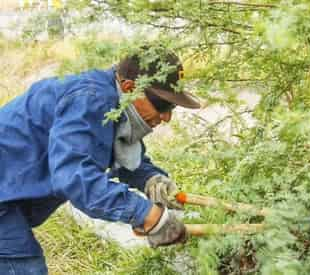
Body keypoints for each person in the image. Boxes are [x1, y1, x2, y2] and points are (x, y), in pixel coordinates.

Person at [0, 46, 201, 274]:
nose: (166, 117)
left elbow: (117, 152)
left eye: (172, 107)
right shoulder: (90, 101)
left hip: (7, 198)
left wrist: (151, 179)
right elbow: (75, 178)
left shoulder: (110, 101)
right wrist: (145, 214)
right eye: (162, 105)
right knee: (24, 267)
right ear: (129, 88)